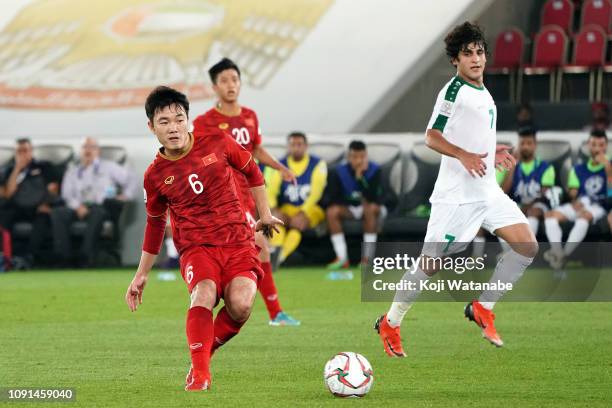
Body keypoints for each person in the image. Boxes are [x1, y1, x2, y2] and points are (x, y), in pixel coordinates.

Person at [375, 22, 538, 356]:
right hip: (456, 198)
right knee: (430, 263)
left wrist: (494, 153)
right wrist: (463, 155)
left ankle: (483, 307)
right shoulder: (453, 91)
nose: (475, 59)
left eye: (479, 52)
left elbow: (474, 135)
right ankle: (391, 321)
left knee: (526, 246)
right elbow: (431, 135)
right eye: (468, 54)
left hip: (486, 191)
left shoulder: (483, 90)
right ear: (456, 60)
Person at [125, 86, 282, 391]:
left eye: (179, 119)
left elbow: (252, 172)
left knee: (241, 305)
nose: (174, 128)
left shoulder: (218, 142)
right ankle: (201, 375)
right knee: (204, 294)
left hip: (237, 242)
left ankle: (202, 355)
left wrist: (264, 213)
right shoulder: (154, 176)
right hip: (197, 248)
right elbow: (155, 225)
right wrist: (141, 274)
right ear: (151, 127)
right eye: (164, 122)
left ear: (188, 119)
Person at [191, 57, 300, 326]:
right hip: (223, 198)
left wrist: (281, 168)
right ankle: (273, 312)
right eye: (224, 80)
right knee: (261, 244)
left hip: (248, 194)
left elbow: (256, 150)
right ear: (214, 87)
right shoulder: (205, 122)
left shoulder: (249, 116)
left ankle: (263, 309)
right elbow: (195, 157)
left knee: (260, 248)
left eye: (235, 79)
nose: (231, 85)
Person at [51, 137, 136, 266]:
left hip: (100, 207)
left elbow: (132, 179)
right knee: (58, 213)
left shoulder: (109, 167)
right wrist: (77, 207)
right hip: (76, 207)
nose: (88, 150)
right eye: (85, 147)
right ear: (80, 151)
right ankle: (64, 257)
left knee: (98, 212)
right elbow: (66, 194)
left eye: (92, 147)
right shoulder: (73, 171)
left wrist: (125, 196)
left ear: (98, 151)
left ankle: (86, 256)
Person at [543, 129, 611, 269]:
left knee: (583, 217)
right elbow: (573, 193)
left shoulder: (610, 166)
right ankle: (558, 252)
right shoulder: (578, 169)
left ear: (606, 146)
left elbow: (610, 192)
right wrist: (573, 200)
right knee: (550, 215)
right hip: (580, 203)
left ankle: (564, 255)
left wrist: (607, 167)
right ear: (588, 146)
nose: (597, 148)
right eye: (594, 144)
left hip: (599, 206)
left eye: (601, 144)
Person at [267, 131, 327, 266]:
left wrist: (303, 212)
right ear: (288, 147)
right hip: (288, 207)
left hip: (310, 209)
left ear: (306, 146)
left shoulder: (318, 164)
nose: (296, 148)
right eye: (293, 144)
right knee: (277, 222)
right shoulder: (280, 164)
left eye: (299, 144)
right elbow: (271, 190)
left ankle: (279, 258)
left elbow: (316, 193)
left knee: (298, 225)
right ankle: (274, 253)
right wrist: (274, 209)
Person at [0, 138, 60, 268]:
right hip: (16, 207)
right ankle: (4, 257)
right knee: (3, 217)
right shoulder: (8, 169)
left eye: (25, 150)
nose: (22, 154)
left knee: (43, 218)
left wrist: (47, 204)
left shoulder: (44, 166)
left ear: (31, 151)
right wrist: (17, 169)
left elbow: (54, 190)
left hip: (37, 207)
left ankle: (29, 257)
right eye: (19, 151)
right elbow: (7, 194)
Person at [324, 140, 385, 269]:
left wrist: (360, 178)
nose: (358, 161)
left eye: (362, 157)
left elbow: (374, 198)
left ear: (366, 156)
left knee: (371, 208)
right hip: (348, 208)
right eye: (355, 157)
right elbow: (333, 197)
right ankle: (342, 258)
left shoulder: (375, 170)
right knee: (331, 212)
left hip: (368, 208)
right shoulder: (338, 171)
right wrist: (351, 200)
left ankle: (367, 259)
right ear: (348, 157)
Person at [498, 126, 556, 236]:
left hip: (537, 205)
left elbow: (543, 195)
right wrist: (512, 166)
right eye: (522, 143)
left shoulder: (546, 167)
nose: (525, 147)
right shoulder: (508, 166)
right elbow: (502, 192)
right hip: (517, 205)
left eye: (529, 143)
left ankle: (525, 251)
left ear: (535, 145)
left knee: (533, 212)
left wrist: (526, 208)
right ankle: (511, 252)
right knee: (501, 217)